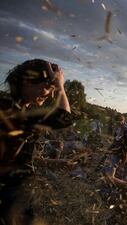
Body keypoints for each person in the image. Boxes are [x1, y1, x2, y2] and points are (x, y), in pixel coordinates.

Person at [0, 59, 73, 224]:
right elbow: (64, 118)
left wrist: (56, 162)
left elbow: (17, 158)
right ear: (27, 81)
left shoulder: (18, 109)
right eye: (47, 85)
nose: (49, 93)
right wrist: (60, 85)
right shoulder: (10, 111)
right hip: (10, 196)